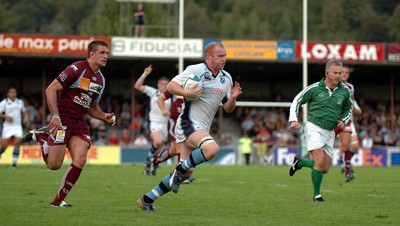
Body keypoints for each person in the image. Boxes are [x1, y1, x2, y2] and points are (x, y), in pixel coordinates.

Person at [136, 42, 242, 211]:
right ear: (209, 57)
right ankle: (178, 172)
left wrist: (233, 98)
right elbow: (171, 86)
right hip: (188, 123)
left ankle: (148, 199)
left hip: (201, 129)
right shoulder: (196, 70)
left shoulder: (226, 78)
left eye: (225, 56)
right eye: (220, 56)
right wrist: (187, 93)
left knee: (187, 172)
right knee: (212, 149)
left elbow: (228, 109)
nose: (224, 59)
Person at [23, 40, 116, 207]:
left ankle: (58, 201)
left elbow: (92, 107)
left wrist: (105, 116)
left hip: (79, 123)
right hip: (63, 119)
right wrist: (55, 116)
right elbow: (51, 89)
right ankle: (43, 137)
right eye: (102, 53)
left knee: (80, 159)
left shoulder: (101, 80)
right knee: (54, 165)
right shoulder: (76, 69)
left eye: (107, 53)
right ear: (92, 54)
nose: (105, 56)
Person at [288, 59, 352, 202]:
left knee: (325, 168)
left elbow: (348, 108)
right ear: (327, 73)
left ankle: (299, 163)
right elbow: (297, 100)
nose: (338, 76)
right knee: (319, 160)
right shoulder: (315, 88)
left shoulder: (344, 91)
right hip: (314, 128)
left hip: (330, 132)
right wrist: (293, 119)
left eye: (340, 73)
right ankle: (317, 195)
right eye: (335, 73)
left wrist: (343, 120)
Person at [134, 65, 171, 175]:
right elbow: (137, 86)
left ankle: (150, 164)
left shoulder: (171, 96)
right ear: (158, 85)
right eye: (162, 84)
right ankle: (148, 162)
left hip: (166, 124)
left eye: (166, 84)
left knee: (158, 148)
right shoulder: (153, 92)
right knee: (158, 141)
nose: (164, 86)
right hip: (153, 122)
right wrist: (145, 73)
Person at [334, 65, 362, 182]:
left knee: (355, 147)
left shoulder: (350, 87)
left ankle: (344, 164)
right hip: (338, 121)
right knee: (344, 146)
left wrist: (356, 108)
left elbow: (352, 101)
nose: (345, 74)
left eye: (347, 72)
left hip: (349, 121)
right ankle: (346, 167)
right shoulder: (334, 86)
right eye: (343, 72)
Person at [0, 86, 28, 168]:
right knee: (4, 146)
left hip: (17, 126)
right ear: (7, 94)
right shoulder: (4, 103)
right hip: (7, 126)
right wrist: (6, 117)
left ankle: (14, 163)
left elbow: (24, 112)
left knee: (17, 142)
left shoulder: (20, 102)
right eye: (11, 92)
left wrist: (25, 118)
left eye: (14, 92)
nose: (13, 94)